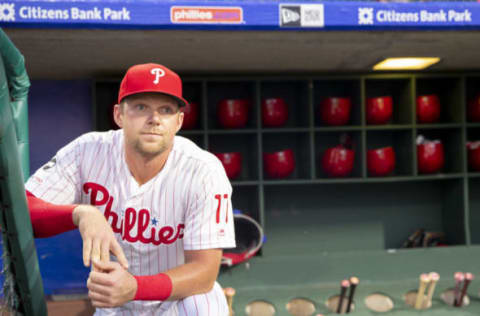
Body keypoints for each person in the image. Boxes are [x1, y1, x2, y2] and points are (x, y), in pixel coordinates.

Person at [25, 63, 236, 315]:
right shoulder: (87, 151)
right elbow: (21, 209)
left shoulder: (204, 170)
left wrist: (136, 287)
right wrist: (80, 213)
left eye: (166, 110)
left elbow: (204, 272)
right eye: (140, 107)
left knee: (204, 304)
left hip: (179, 298)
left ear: (179, 121)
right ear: (118, 115)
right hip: (115, 304)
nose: (154, 119)